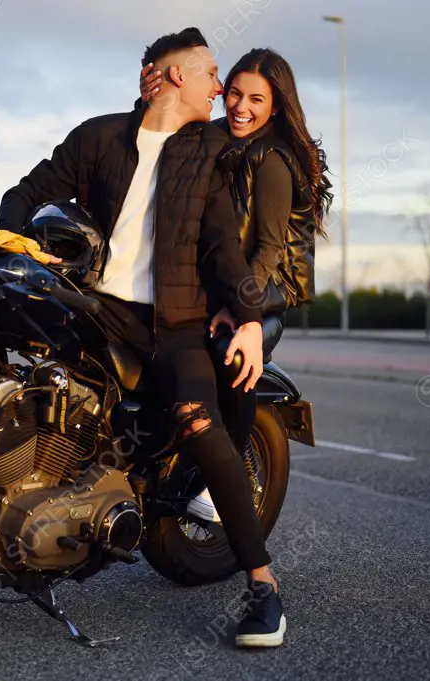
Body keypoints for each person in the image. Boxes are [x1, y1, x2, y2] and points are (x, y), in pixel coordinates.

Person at [0, 28, 287, 648]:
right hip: (93, 310)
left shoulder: (204, 150)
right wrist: (9, 248)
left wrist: (252, 318)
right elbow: (24, 194)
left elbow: (220, 248)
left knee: (199, 421)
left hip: (172, 325)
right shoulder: (98, 137)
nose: (220, 87)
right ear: (175, 77)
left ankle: (263, 585)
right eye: (212, 74)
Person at [138, 47, 332, 517]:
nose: (241, 107)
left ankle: (228, 482)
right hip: (217, 281)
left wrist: (241, 307)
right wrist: (148, 100)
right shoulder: (215, 136)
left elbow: (268, 250)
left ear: (276, 107)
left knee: (232, 358)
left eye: (257, 100)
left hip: (262, 292)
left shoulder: (272, 160)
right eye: (236, 94)